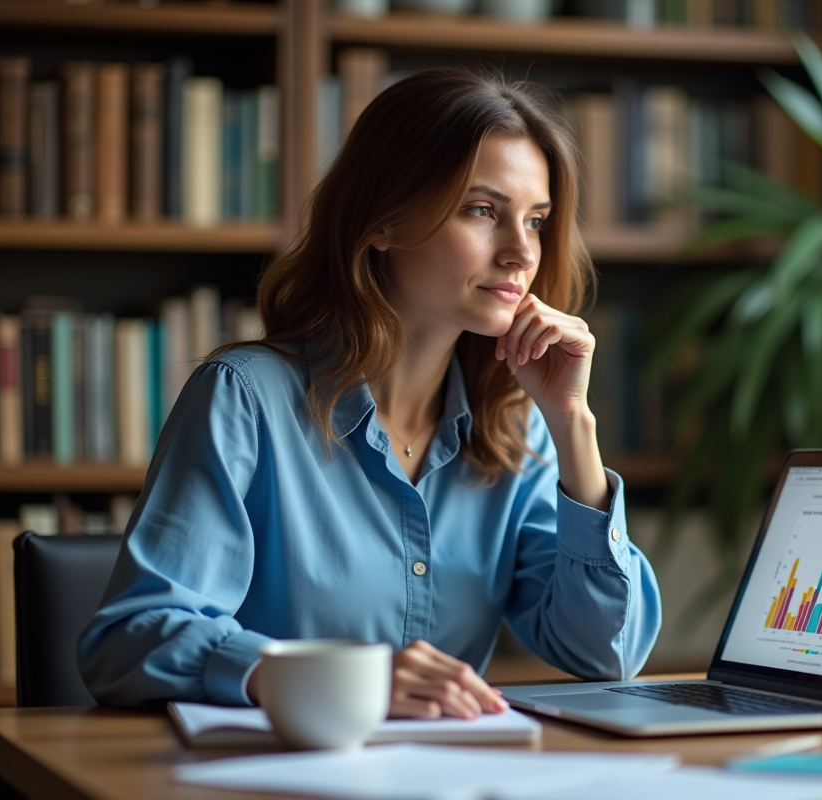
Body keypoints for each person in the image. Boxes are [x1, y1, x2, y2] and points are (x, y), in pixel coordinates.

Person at [77, 68, 662, 719]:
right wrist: (336, 677)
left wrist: (573, 423)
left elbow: (607, 653)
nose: (521, 253)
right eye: (482, 211)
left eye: (536, 220)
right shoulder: (245, 400)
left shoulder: (514, 425)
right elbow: (125, 642)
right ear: (382, 223)